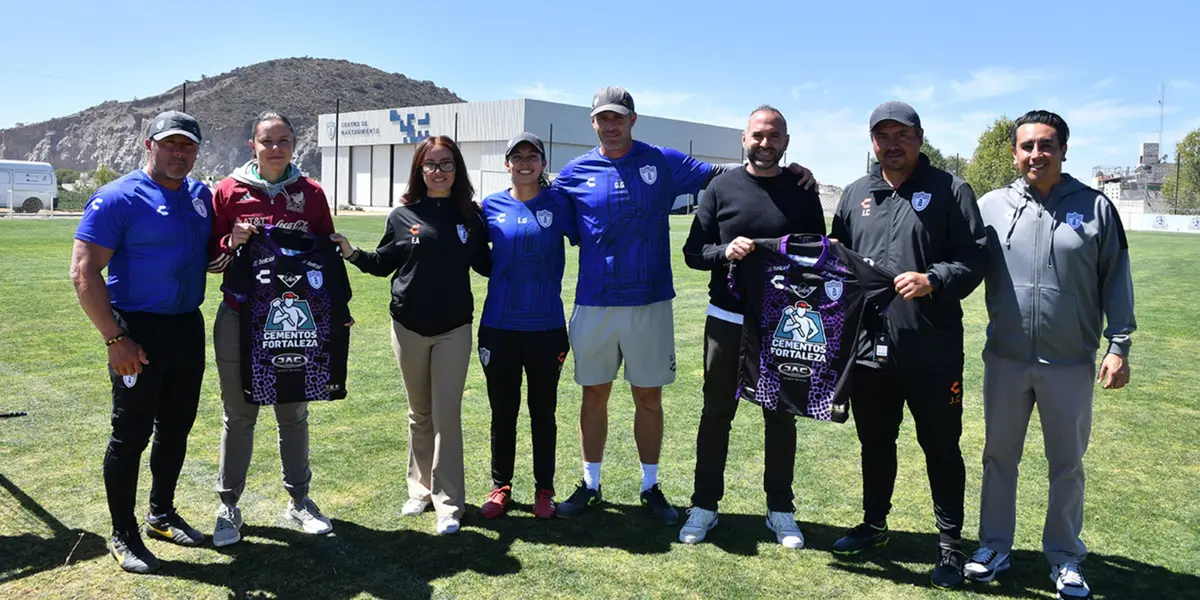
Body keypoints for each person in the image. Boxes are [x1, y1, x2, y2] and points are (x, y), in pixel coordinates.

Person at [552, 87, 816, 524]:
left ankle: (650, 486)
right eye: (603, 118)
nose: (611, 125)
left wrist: (791, 171)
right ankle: (590, 483)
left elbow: (731, 174)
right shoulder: (573, 173)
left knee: (648, 397)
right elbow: (543, 208)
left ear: (633, 120)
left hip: (651, 300)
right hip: (594, 301)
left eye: (619, 117)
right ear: (593, 123)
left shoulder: (663, 160)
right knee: (593, 394)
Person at [965, 110, 1135, 599]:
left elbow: (1116, 280)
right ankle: (994, 546)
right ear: (1015, 152)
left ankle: (1064, 557)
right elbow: (957, 259)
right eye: (1027, 146)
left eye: (1046, 145)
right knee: (999, 457)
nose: (1035, 154)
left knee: (1067, 463)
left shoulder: (1096, 207)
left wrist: (1118, 345)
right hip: (1006, 359)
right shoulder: (991, 205)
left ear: (1063, 149)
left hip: (1069, 362)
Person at [829, 101, 988, 589]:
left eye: (902, 135)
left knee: (940, 446)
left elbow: (976, 256)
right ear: (872, 142)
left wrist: (934, 279)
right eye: (882, 136)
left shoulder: (950, 189)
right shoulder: (856, 194)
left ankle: (950, 547)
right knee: (875, 442)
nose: (891, 144)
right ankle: (875, 525)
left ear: (920, 137)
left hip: (931, 350)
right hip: (870, 350)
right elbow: (837, 261)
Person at [70, 111, 211, 573]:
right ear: (148, 144)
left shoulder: (199, 194)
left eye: (187, 145)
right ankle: (123, 532)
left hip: (187, 326)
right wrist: (115, 338)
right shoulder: (118, 197)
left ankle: (161, 514)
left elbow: (205, 254)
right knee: (130, 435)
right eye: (170, 144)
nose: (179, 153)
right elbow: (83, 271)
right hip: (137, 331)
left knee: (176, 427)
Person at [678, 106, 826, 547]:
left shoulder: (801, 190)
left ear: (786, 140)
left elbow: (817, 254)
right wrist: (724, 252)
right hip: (727, 318)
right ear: (744, 138)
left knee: (781, 415)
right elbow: (692, 252)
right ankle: (704, 505)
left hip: (782, 322)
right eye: (758, 135)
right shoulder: (720, 188)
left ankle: (780, 508)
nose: (766, 143)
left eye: (774, 136)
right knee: (716, 412)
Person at [331, 136, 490, 535]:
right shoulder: (403, 215)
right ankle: (419, 489)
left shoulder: (471, 216)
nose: (439, 171)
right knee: (419, 413)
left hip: (454, 327)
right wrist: (352, 253)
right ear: (420, 170)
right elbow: (385, 263)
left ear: (458, 169)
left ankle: (449, 502)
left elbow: (488, 264)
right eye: (431, 164)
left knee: (446, 414)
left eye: (447, 163)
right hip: (408, 325)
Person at [206, 111, 341, 546]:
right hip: (240, 319)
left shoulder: (312, 193)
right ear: (253, 145)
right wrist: (232, 242)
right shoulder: (228, 192)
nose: (276, 148)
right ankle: (228, 506)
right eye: (267, 140)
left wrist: (337, 312)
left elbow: (325, 259)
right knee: (240, 414)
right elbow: (210, 262)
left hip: (295, 320)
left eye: (284, 139)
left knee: (293, 413)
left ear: (294, 144)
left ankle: (299, 501)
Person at [475, 133, 578, 520]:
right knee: (503, 412)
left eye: (531, 156)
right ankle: (500, 486)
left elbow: (591, 233)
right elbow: (470, 250)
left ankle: (544, 490)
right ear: (506, 164)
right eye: (516, 157)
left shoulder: (558, 204)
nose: (524, 162)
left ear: (542, 163)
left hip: (546, 327)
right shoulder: (490, 207)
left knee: (543, 412)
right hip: (499, 326)